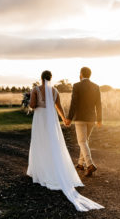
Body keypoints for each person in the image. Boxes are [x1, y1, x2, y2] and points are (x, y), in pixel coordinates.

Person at [27, 70, 104, 211]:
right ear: (51, 78)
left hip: (41, 119)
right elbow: (59, 107)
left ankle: (87, 164)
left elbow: (32, 105)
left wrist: (29, 101)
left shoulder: (36, 89)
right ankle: (79, 164)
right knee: (65, 143)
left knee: (41, 143)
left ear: (41, 78)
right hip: (57, 121)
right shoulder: (56, 91)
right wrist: (64, 118)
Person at [65, 67, 102, 177]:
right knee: (84, 141)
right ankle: (80, 164)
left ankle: (90, 165)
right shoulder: (96, 87)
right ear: (90, 75)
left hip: (80, 118)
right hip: (92, 118)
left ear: (81, 74)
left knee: (82, 141)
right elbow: (98, 104)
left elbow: (74, 103)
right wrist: (99, 119)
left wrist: (69, 118)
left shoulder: (77, 85)